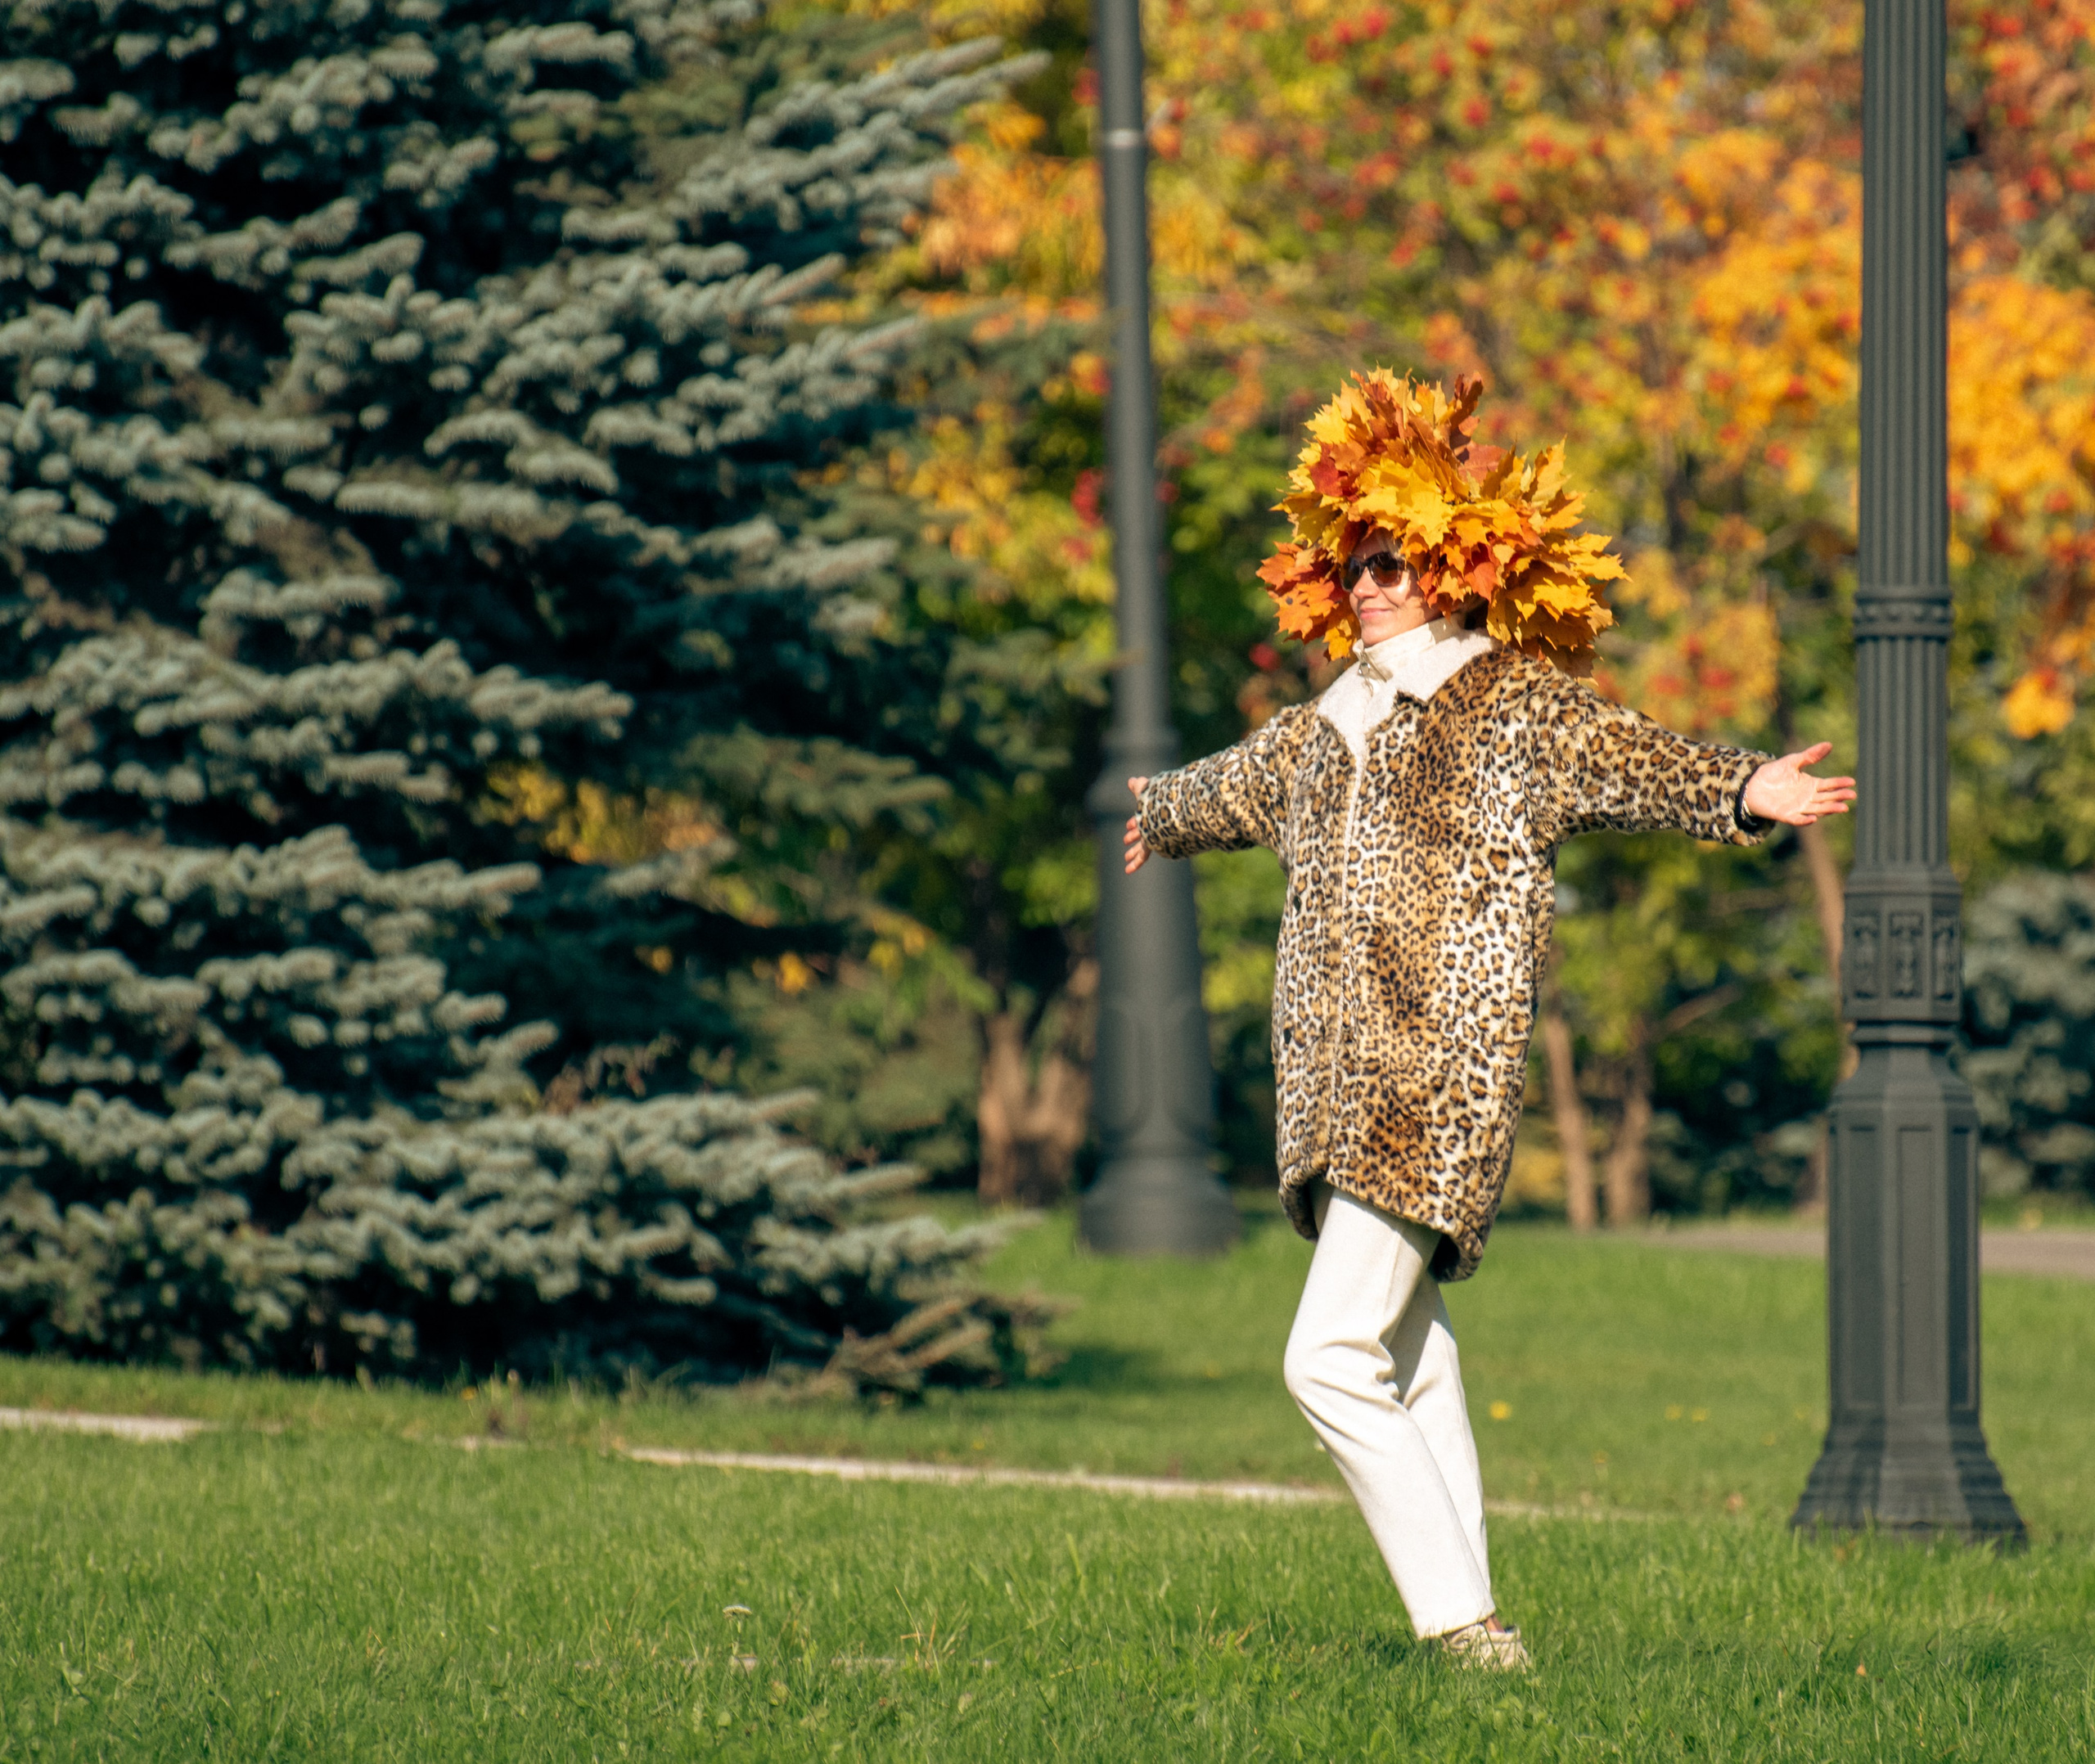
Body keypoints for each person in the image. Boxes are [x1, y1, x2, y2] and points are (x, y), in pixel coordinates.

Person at [1120, 374, 1854, 1670]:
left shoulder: (1513, 707)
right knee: (1409, 1356)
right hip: (1332, 1089)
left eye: (1395, 560)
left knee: (1326, 1357)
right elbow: (1225, 786)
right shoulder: (1315, 734)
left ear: (1455, 567)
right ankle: (1481, 1655)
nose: (1369, 583)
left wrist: (1744, 785)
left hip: (1437, 1081)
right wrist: (1161, 810)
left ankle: (1465, 1628)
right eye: (1352, 561)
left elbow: (1633, 760)